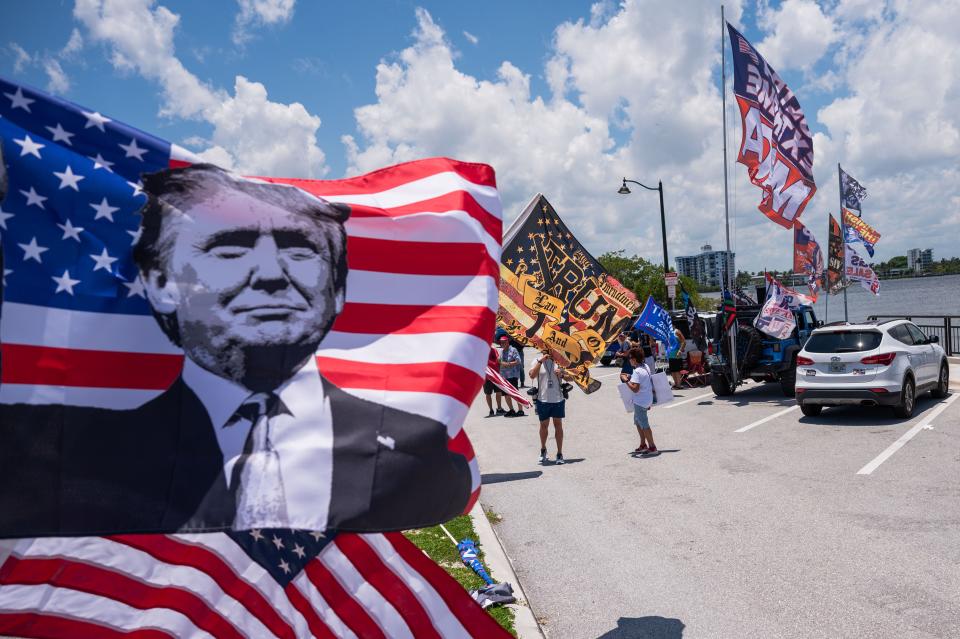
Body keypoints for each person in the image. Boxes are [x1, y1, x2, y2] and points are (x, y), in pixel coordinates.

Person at [0, 163, 472, 537]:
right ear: (159, 283)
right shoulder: (68, 460)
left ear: (338, 288)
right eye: (229, 251)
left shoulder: (419, 449)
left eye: (299, 250)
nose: (270, 274)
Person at [530, 349, 569, 464]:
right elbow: (532, 375)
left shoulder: (560, 361)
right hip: (543, 399)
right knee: (543, 426)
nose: (546, 350)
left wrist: (562, 374)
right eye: (544, 348)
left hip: (558, 399)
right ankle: (543, 449)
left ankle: (559, 453)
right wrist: (541, 361)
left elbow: (571, 378)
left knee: (558, 425)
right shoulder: (536, 361)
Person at [626, 348, 658, 455]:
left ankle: (652, 446)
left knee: (644, 424)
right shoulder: (645, 366)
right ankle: (643, 444)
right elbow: (643, 381)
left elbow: (635, 388)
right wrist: (631, 378)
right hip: (646, 399)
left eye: (630, 358)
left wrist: (626, 380)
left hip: (640, 401)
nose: (629, 360)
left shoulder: (637, 371)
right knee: (638, 422)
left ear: (634, 359)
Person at [498, 335, 525, 417]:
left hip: (512, 375)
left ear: (507, 342)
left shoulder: (513, 350)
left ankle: (520, 410)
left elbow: (518, 361)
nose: (502, 343)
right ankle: (511, 409)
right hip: (504, 376)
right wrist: (500, 362)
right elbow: (499, 361)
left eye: (504, 342)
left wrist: (508, 364)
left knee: (515, 393)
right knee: (506, 394)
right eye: (501, 342)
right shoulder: (501, 351)